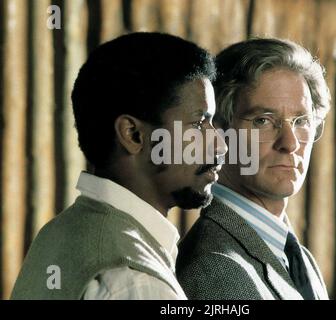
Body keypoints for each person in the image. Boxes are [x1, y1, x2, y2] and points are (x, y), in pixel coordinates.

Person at [11, 32, 227, 300]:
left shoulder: (58, 233)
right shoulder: (135, 283)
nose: (220, 146)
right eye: (197, 124)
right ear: (133, 135)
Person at [176, 38, 331, 300]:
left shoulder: (298, 256)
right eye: (263, 120)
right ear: (220, 132)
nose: (290, 143)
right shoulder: (214, 270)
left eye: (301, 121)